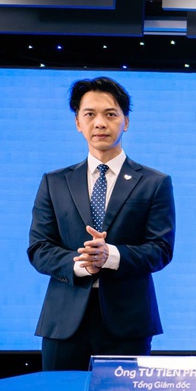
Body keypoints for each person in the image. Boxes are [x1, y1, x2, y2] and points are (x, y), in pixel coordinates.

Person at [28, 77, 175, 371]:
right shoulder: (55, 182)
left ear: (126, 121)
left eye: (110, 114)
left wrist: (110, 256)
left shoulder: (154, 183)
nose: (100, 123)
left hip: (127, 323)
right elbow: (39, 248)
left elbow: (161, 249)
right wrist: (82, 263)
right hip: (63, 321)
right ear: (78, 123)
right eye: (90, 114)